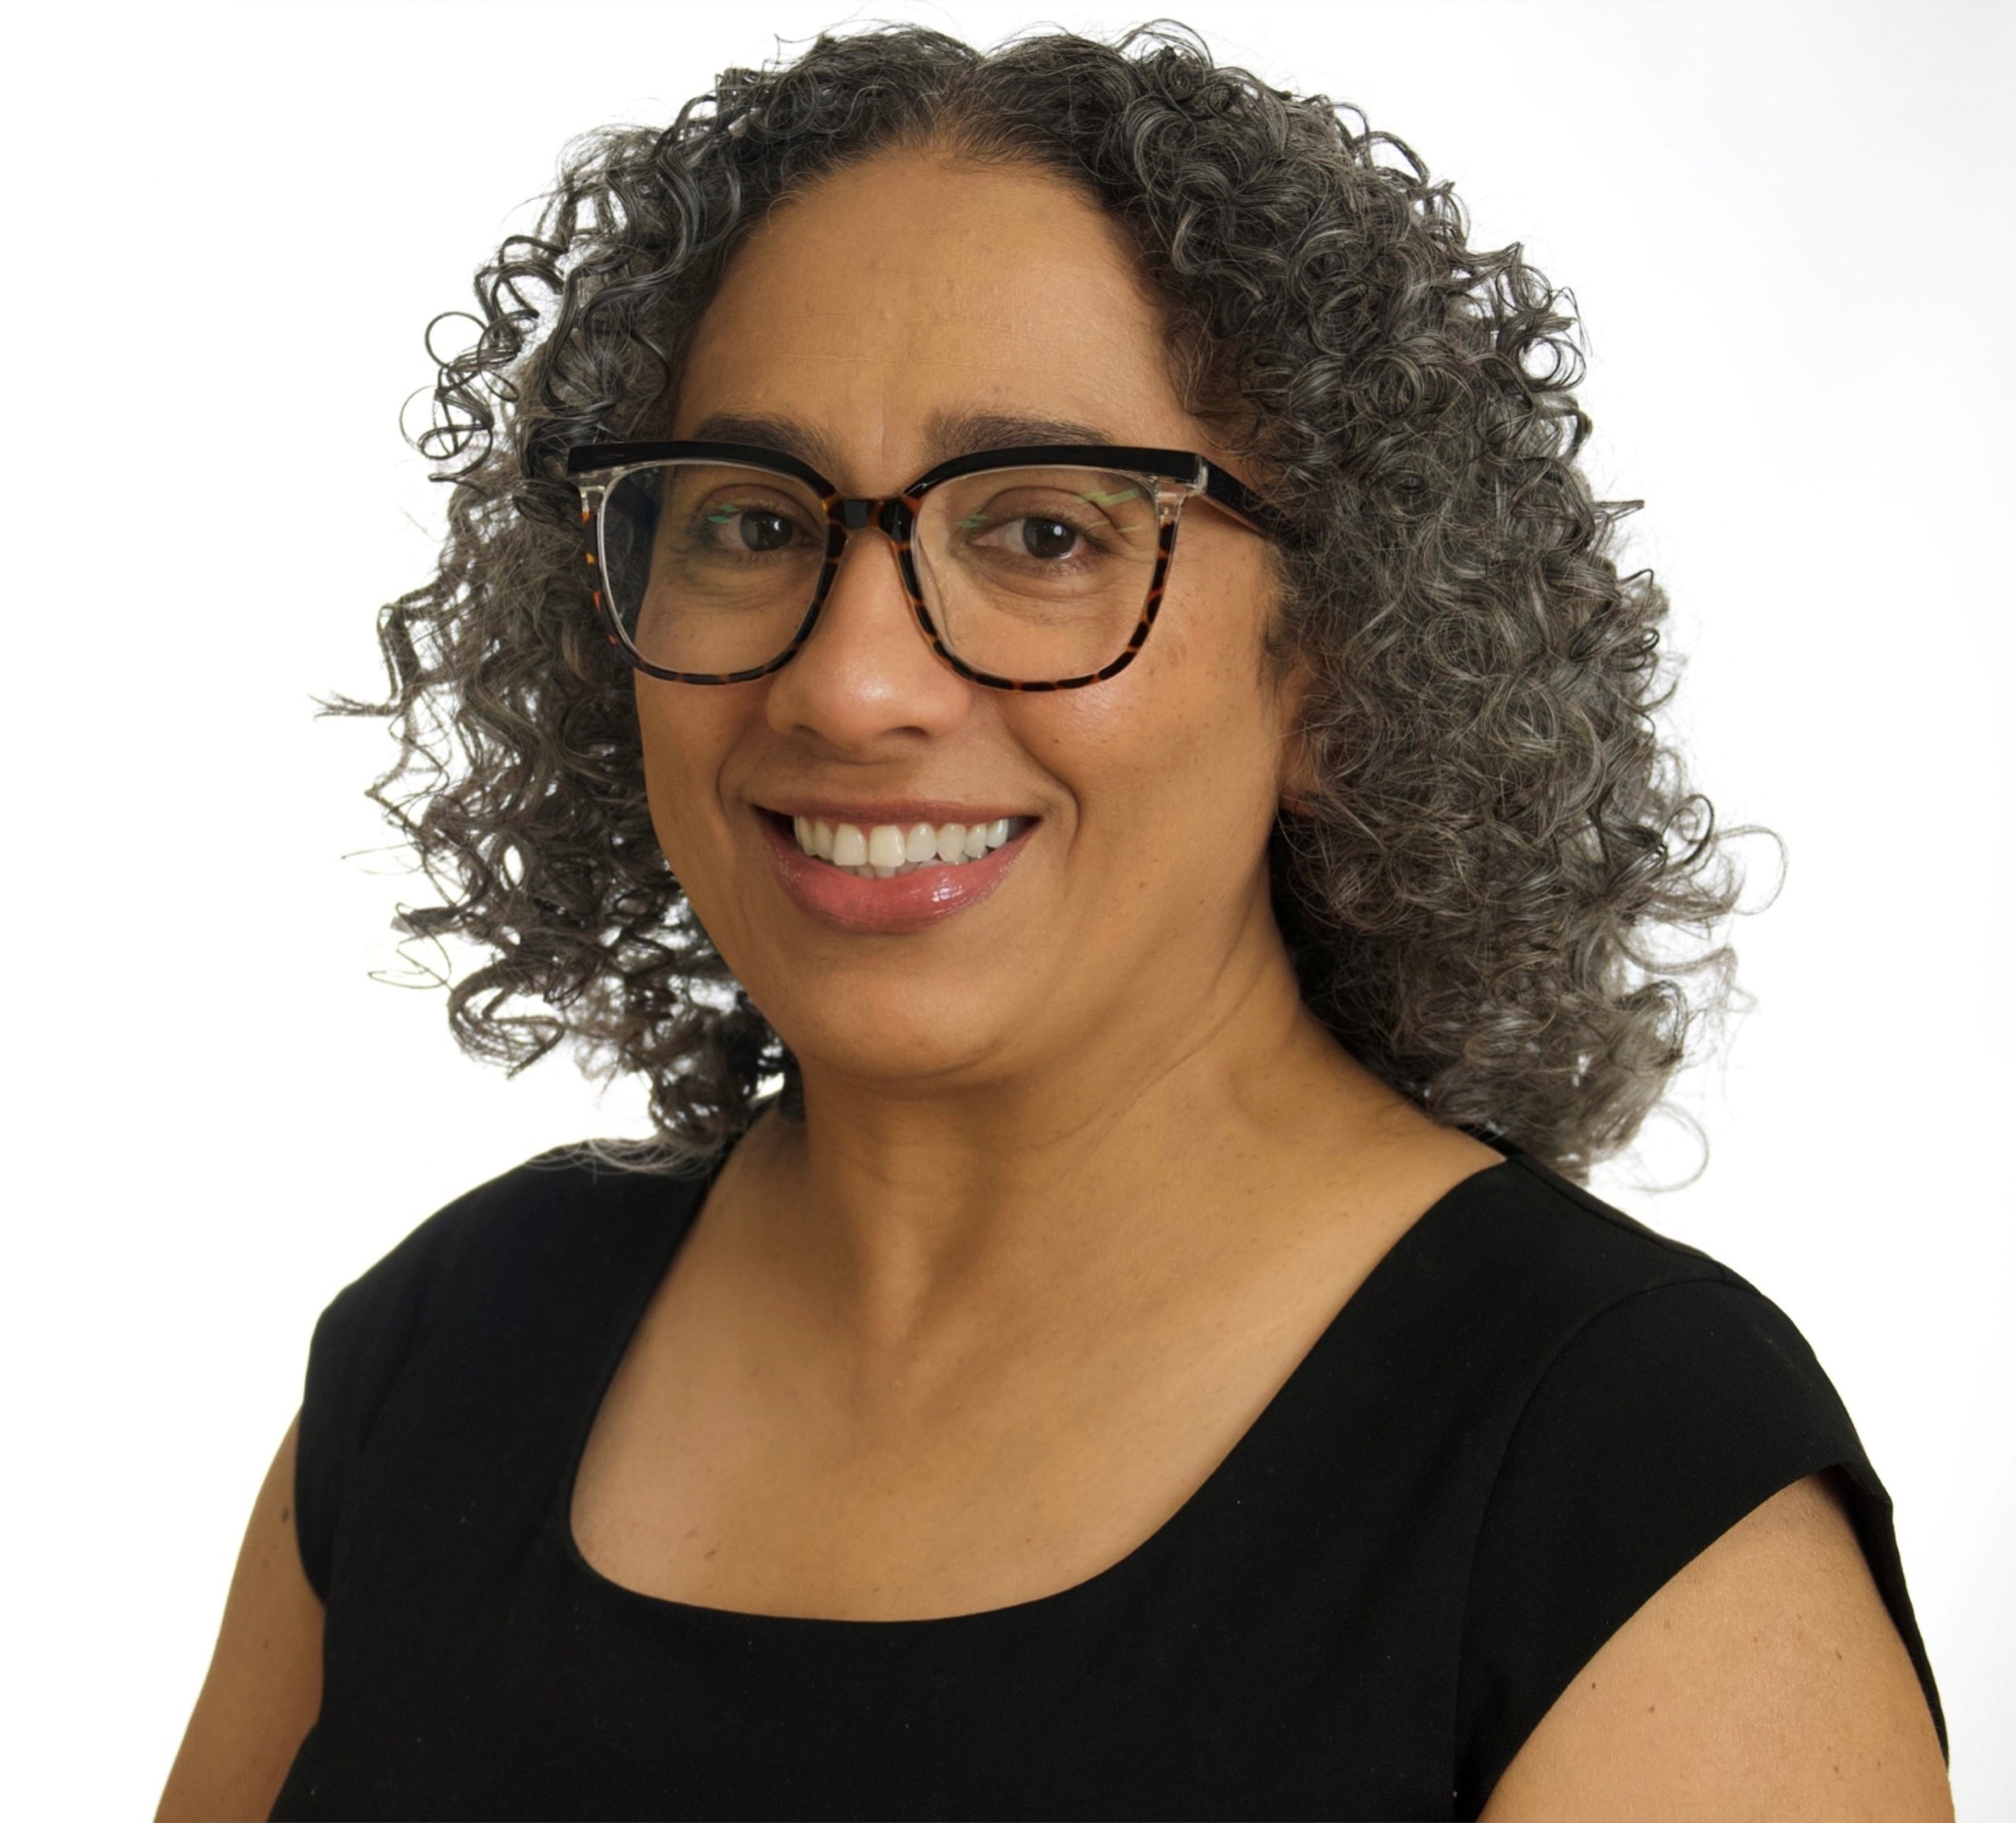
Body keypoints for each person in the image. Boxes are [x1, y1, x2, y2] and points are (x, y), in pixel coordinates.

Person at [157, 21, 1952, 1821]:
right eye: (748, 521)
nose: (850, 686)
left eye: (1040, 535)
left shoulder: (1611, 1480)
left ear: (1341, 655)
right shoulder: (447, 1353)